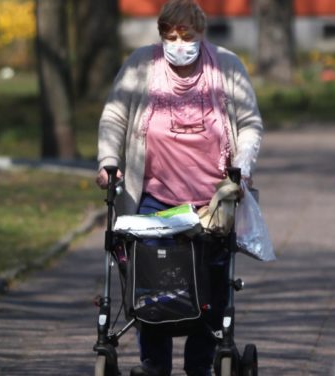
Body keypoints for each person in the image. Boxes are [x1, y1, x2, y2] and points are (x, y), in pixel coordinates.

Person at [95, 1, 264, 375]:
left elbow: (250, 122)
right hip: (155, 200)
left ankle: (200, 364)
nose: (178, 42)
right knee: (152, 285)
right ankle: (154, 364)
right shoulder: (141, 64)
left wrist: (242, 167)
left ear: (200, 32)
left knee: (211, 285)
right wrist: (109, 161)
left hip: (212, 202)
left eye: (186, 34)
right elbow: (115, 116)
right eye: (170, 35)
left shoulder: (227, 66)